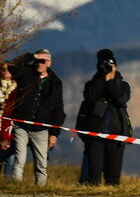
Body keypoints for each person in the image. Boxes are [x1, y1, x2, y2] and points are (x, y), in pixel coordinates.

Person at [9, 49, 64, 186]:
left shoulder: (55, 82)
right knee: (19, 159)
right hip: (21, 125)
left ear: (49, 63)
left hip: (41, 128)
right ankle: (15, 189)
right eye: (38, 61)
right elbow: (12, 67)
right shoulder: (26, 73)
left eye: (43, 61)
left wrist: (54, 134)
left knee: (41, 163)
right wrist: (32, 56)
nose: (39, 63)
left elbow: (58, 109)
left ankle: (41, 190)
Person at [76, 49, 131, 186]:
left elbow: (121, 99)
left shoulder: (123, 85)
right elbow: (90, 97)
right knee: (94, 175)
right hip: (96, 135)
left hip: (117, 135)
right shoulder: (92, 84)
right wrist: (103, 79)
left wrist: (112, 81)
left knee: (113, 176)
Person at [0, 61, 16, 177]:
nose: (6, 72)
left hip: (11, 125)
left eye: (8, 69)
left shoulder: (17, 87)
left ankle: (7, 181)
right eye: (3, 69)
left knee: (10, 155)